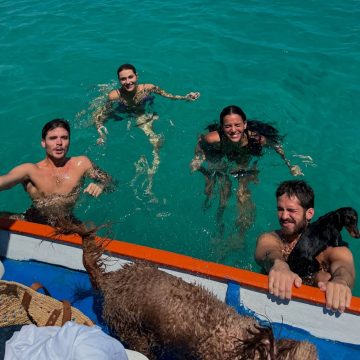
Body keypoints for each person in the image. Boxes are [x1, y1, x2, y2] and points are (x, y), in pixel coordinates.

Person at [190, 105, 302, 238]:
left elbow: (276, 146)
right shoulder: (213, 138)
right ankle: (216, 218)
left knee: (243, 192)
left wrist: (290, 165)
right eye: (227, 126)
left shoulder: (255, 138)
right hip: (221, 151)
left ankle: (241, 233)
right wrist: (197, 158)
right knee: (218, 185)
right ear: (222, 127)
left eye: (237, 125)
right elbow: (201, 141)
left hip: (245, 154)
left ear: (245, 125)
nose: (233, 130)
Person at [94, 63, 200, 200]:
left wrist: (185, 97)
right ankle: (151, 175)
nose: (128, 82)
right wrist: (100, 133)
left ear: (137, 76)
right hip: (125, 113)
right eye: (123, 79)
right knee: (155, 141)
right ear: (119, 81)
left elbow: (169, 96)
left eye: (130, 77)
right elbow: (101, 115)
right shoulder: (114, 96)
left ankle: (152, 171)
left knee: (156, 140)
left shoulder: (149, 88)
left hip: (142, 112)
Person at [255, 180, 355, 313]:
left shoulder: (329, 248)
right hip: (270, 302)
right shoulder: (272, 238)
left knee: (323, 278)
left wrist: (341, 281)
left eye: (291, 210)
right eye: (280, 209)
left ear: (309, 213)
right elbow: (266, 251)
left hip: (310, 307)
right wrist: (278, 263)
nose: (284, 216)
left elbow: (344, 267)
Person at [0, 119, 112, 226]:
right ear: (43, 143)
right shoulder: (30, 171)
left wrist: (101, 185)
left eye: (64, 138)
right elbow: (4, 181)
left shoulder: (82, 164)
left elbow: (109, 181)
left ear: (69, 141)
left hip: (68, 223)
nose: (59, 143)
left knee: (90, 228)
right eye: (53, 138)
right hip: (33, 220)